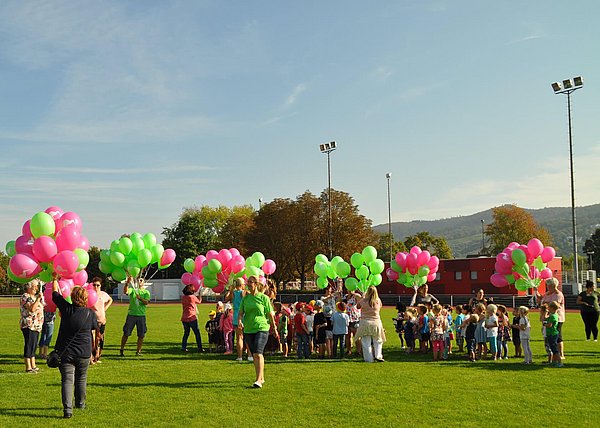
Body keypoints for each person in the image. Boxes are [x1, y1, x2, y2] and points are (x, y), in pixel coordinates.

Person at [52, 280, 98, 419]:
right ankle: (81, 404)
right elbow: (95, 331)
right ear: (86, 298)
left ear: (72, 297)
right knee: (81, 379)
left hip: (66, 352)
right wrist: (94, 351)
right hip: (84, 352)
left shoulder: (67, 309)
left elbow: (55, 294)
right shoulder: (90, 314)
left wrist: (54, 279)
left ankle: (68, 410)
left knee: (67, 380)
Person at [237, 275, 279, 388]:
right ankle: (261, 377)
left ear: (255, 284)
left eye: (250, 282)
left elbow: (270, 314)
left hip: (262, 327)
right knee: (255, 355)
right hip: (249, 329)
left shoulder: (263, 298)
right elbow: (240, 312)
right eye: (247, 282)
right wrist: (240, 321)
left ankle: (258, 380)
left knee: (257, 353)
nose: (248, 284)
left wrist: (274, 328)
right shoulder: (245, 299)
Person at [119, 276, 151, 356]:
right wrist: (127, 283)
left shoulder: (146, 292)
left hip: (141, 316)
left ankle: (138, 351)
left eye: (141, 280)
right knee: (126, 333)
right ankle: (122, 349)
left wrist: (140, 298)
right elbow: (125, 292)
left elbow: (146, 302)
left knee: (141, 334)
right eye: (138, 280)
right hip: (131, 315)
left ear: (144, 282)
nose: (139, 281)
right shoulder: (132, 290)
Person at [20, 279, 44, 373]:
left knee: (34, 345)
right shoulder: (25, 296)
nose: (36, 288)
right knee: (29, 344)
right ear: (29, 287)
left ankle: (33, 365)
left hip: (36, 325)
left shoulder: (34, 297)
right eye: (34, 286)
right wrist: (38, 299)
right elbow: (32, 309)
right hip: (29, 324)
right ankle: (28, 366)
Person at [356, 286, 386, 362]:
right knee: (378, 340)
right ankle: (378, 355)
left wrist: (363, 297)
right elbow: (380, 307)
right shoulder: (378, 301)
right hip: (376, 322)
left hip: (365, 322)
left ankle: (368, 358)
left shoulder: (363, 301)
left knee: (366, 341)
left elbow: (358, 306)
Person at [538, 277, 565, 359]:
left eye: (549, 286)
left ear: (553, 285)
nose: (548, 287)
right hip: (547, 316)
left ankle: (561, 354)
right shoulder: (547, 293)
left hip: (556, 317)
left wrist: (545, 304)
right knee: (549, 335)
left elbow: (554, 304)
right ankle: (553, 353)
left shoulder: (558, 294)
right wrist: (536, 291)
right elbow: (540, 299)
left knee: (557, 335)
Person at [90, 277, 113, 363]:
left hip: (101, 320)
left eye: (97, 285)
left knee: (99, 339)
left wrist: (105, 307)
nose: (96, 287)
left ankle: (97, 357)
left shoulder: (103, 294)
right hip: (91, 321)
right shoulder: (90, 294)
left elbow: (110, 299)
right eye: (94, 285)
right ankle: (91, 357)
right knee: (91, 339)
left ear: (100, 286)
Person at [225, 277, 247, 361]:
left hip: (236, 316)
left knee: (239, 338)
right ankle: (249, 355)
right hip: (244, 314)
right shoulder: (244, 293)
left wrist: (230, 290)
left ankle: (240, 356)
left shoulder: (233, 293)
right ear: (242, 285)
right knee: (247, 336)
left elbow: (226, 299)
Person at [180, 284, 203, 353]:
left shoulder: (183, 297)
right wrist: (200, 295)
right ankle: (200, 347)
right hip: (192, 317)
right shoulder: (192, 297)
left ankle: (183, 347)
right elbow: (199, 301)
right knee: (197, 333)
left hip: (184, 318)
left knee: (186, 333)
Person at [38, 285, 56, 360]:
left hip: (43, 319)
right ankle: (45, 353)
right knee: (48, 336)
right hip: (50, 320)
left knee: (43, 335)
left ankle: (40, 352)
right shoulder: (51, 297)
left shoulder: (43, 297)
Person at [546, 301, 563, 367]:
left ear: (552, 308)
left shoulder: (553, 316)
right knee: (553, 348)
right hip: (552, 333)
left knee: (554, 349)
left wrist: (545, 324)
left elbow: (549, 325)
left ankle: (559, 362)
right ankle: (554, 361)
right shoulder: (554, 315)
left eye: (549, 307)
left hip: (552, 333)